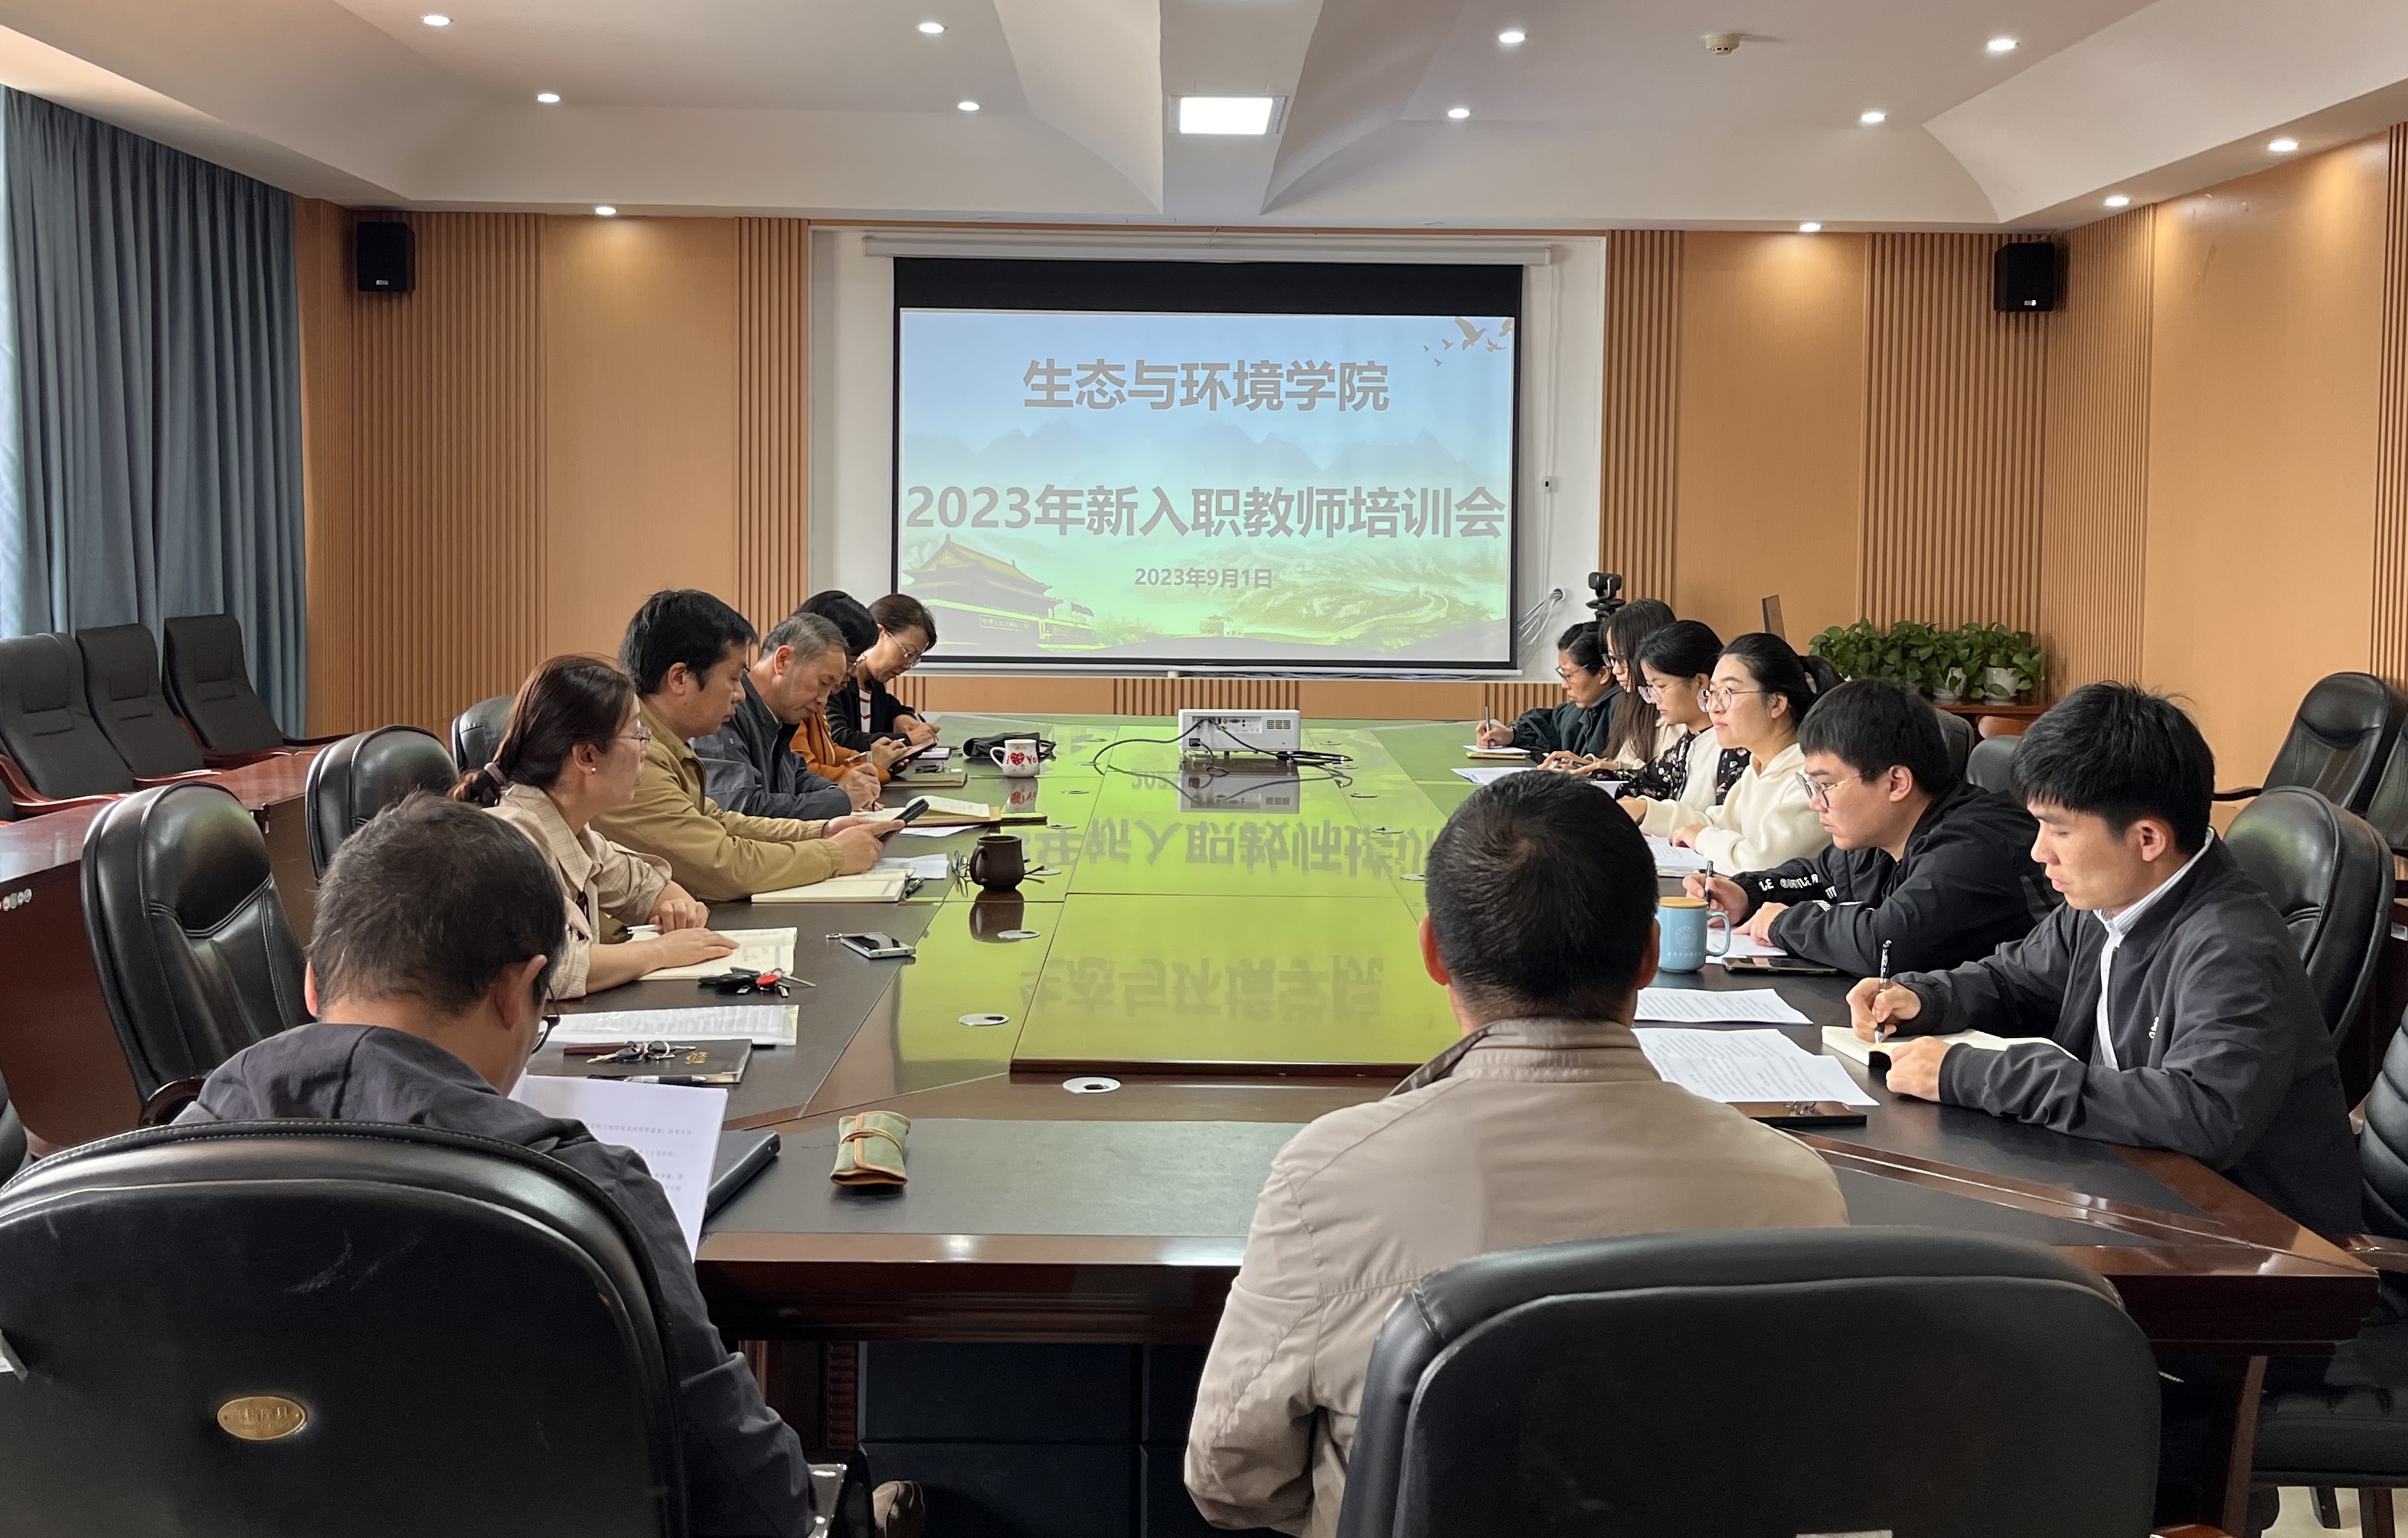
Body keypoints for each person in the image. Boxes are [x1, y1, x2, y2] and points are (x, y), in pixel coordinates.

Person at [1184, 773, 1848, 1537]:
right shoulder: (1797, 1191)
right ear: (1648, 954)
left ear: (1434, 952)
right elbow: (1817, 1468)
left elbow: (1229, 1476)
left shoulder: (1329, 1178)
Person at [173, 797, 839, 1536]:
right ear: (513, 992)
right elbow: (756, 1499)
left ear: (313, 983)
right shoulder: (580, 1197)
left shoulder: (149, 1172)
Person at [1850, 682, 2357, 1233]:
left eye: (2059, 829)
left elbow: (2203, 1111)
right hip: (2130, 1189)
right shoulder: (2109, 900)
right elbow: (2013, 980)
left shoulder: (2233, 947)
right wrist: (1921, 997)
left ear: (2147, 838)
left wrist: (1969, 1074)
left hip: (2252, 1242)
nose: (2038, 851)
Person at [1684, 678, 2057, 975]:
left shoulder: (1974, 846)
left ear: (1895, 783)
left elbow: (1886, 944)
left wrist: (1783, 922)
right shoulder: (1885, 836)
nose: (1815, 802)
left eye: (1826, 785)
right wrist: (1747, 893)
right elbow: (1820, 875)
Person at [453, 655, 739, 997]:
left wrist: (679, 908)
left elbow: (646, 887)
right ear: (587, 756)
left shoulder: (573, 830)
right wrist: (662, 951)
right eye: (637, 733)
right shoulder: (513, 844)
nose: (646, 749)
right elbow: (552, 970)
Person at [592, 589, 896, 901]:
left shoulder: (666, 744)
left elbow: (720, 821)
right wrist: (834, 854)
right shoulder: (631, 754)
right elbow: (722, 865)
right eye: (733, 678)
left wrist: (821, 831)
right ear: (680, 679)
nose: (740, 694)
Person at [1645, 632, 1831, 874]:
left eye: (1728, 693)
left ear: (1776, 703)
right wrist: (1647, 810)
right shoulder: (1758, 771)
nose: (1714, 707)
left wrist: (1701, 838)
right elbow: (1717, 822)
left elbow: (1762, 860)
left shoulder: (1811, 778)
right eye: (1713, 693)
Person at [692, 612, 876, 818]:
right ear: (783, 660)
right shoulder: (725, 711)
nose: (823, 700)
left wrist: (837, 792)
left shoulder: (777, 716)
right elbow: (739, 808)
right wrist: (840, 800)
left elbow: (796, 777)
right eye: (823, 683)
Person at [1614, 619, 1746, 818]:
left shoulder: (1732, 747)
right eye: (1650, 687)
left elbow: (1725, 823)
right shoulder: (1685, 745)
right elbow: (1644, 782)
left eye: (1661, 686)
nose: (1654, 698)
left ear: (1700, 682)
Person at [794, 591, 910, 786]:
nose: (853, 673)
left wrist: (869, 759)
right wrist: (873, 767)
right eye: (850, 662)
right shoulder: (797, 700)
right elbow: (806, 773)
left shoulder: (816, 694)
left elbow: (830, 752)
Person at [1474, 622, 1616, 756]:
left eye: (1569, 675)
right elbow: (1549, 727)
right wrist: (1512, 735)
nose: (1564, 685)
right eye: (1562, 674)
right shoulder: (1583, 707)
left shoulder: (1620, 712)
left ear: (1603, 674)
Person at [829, 593, 939, 757]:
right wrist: (907, 740)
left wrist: (902, 716)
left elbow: (893, 707)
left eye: (914, 659)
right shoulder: (835, 682)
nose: (908, 665)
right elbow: (838, 739)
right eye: (908, 653)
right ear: (880, 633)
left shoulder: (873, 685)